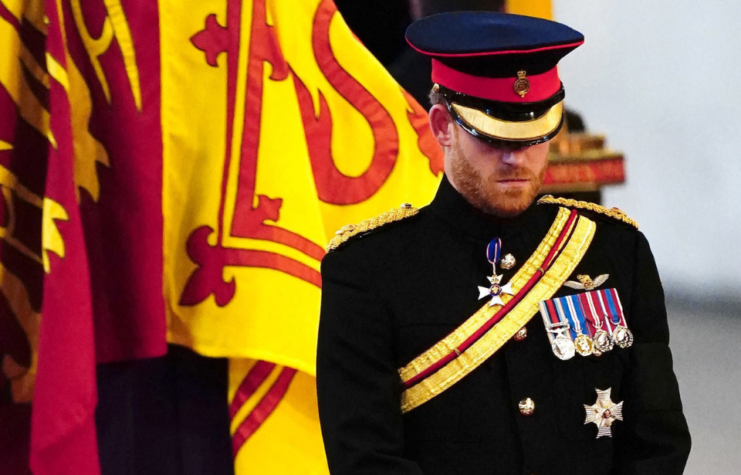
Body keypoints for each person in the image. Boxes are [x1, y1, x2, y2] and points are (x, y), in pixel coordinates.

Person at [317, 12, 691, 475]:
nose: (516, 157)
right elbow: (366, 458)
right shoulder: (368, 270)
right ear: (441, 127)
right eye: (492, 137)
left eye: (533, 136)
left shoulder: (615, 251)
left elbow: (658, 442)